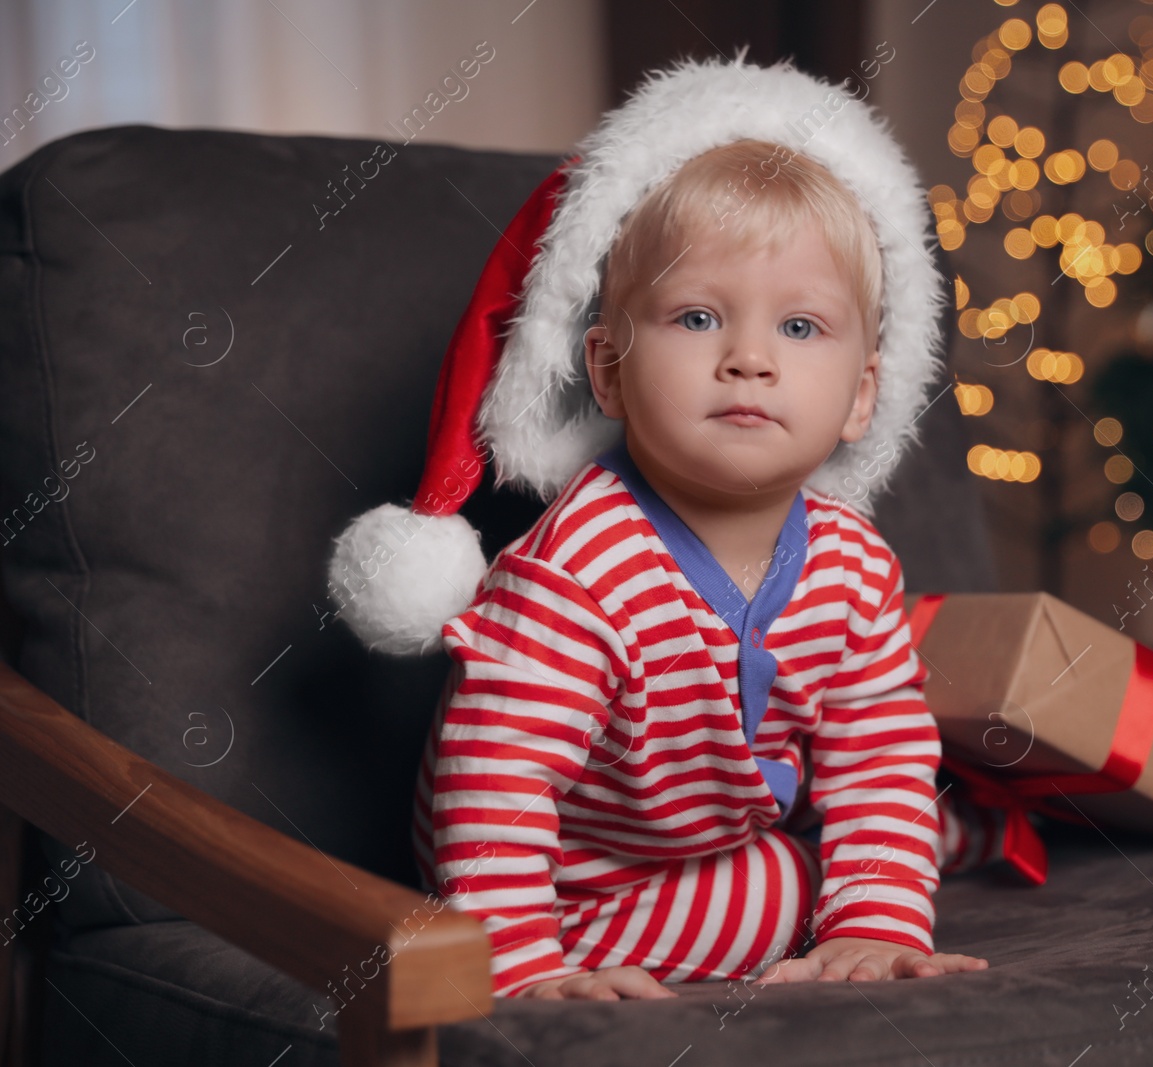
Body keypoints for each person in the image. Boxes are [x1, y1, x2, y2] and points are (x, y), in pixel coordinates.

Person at [327, 53, 1004, 1002]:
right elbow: (495, 780)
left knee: (857, 848)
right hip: (564, 880)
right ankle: (946, 840)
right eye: (697, 316)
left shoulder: (852, 564)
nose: (750, 359)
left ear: (861, 398)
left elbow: (880, 743)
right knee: (781, 883)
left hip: (705, 837)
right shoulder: (579, 567)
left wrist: (878, 923)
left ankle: (941, 841)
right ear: (606, 370)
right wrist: (521, 964)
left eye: (801, 328)